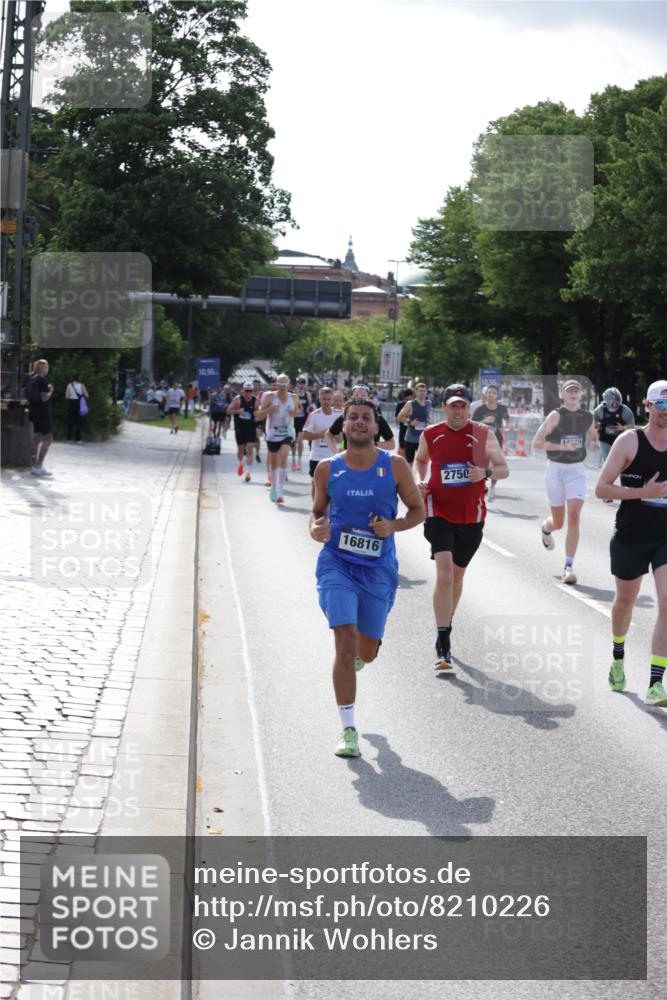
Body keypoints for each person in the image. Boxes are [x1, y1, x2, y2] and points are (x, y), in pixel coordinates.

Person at [310, 396, 425, 757]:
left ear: (377, 427)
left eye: (366, 418)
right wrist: (316, 528)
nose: (359, 422)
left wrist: (393, 525)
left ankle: (363, 653)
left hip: (377, 569)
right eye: (353, 418)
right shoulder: (327, 469)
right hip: (337, 564)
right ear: (343, 427)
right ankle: (348, 730)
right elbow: (316, 513)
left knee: (367, 652)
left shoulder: (395, 466)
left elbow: (418, 511)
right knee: (344, 643)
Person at [414, 383, 509, 671]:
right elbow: (420, 460)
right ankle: (443, 643)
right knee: (444, 574)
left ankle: (448, 619)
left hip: (471, 516)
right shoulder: (431, 434)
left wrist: (486, 472)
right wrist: (420, 479)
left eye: (463, 405)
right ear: (444, 407)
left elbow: (504, 469)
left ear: (469, 407)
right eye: (453, 405)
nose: (458, 410)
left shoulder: (483, 433)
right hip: (438, 509)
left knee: (456, 576)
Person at [595, 379, 667, 707]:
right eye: (660, 405)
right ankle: (618, 660)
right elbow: (602, 489)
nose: (666, 413)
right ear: (647, 406)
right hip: (631, 535)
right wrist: (643, 493)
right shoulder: (629, 441)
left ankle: (656, 683)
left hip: (664, 537)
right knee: (625, 601)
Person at [532, 379, 599, 585]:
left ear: (581, 395)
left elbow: (592, 437)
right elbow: (537, 443)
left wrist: (593, 442)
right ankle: (546, 527)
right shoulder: (556, 415)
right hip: (555, 471)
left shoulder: (588, 416)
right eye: (569, 390)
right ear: (562, 394)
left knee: (574, 517)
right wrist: (562, 446)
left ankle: (568, 566)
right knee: (559, 522)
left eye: (576, 390)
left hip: (577, 471)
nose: (573, 393)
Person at [255, 373, 301, 502]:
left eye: (285, 385)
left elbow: (297, 412)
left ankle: (281, 492)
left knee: (284, 456)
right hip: (272, 433)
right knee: (274, 463)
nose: (282, 387)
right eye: (279, 385)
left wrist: (294, 413)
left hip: (287, 432)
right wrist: (269, 409)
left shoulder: (294, 397)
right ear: (276, 384)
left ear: (289, 385)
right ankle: (274, 487)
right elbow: (259, 415)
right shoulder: (270, 397)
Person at [325, 385, 395, 453]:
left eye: (363, 395)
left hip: (371, 461)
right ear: (351, 398)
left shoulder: (377, 418)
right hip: (349, 461)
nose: (360, 398)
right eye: (356, 395)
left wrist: (373, 444)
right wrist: (336, 452)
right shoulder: (345, 417)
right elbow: (329, 435)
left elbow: (392, 444)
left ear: (369, 398)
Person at [470, 384, 509, 500]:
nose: (490, 394)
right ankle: (483, 487)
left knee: (495, 465)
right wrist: (484, 420)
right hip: (481, 441)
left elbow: (506, 420)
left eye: (493, 392)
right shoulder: (480, 409)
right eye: (488, 392)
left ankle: (492, 486)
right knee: (481, 465)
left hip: (496, 440)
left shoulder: (502, 408)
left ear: (497, 395)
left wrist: (504, 427)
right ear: (485, 394)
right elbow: (472, 424)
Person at [301, 385, 341, 494]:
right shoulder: (314, 415)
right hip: (317, 456)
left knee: (333, 487)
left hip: (334, 457)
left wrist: (339, 439)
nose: (326, 402)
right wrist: (322, 434)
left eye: (328, 399)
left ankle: (329, 509)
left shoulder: (339, 415)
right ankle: (315, 509)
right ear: (319, 399)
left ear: (332, 399)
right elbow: (304, 435)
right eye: (324, 399)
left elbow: (344, 437)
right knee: (316, 485)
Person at [594, 388, 635, 485]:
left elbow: (632, 425)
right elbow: (593, 421)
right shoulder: (600, 410)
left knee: (622, 464)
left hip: (620, 440)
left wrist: (623, 428)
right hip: (604, 440)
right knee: (607, 463)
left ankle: (626, 485)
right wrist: (596, 428)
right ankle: (606, 487)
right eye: (613, 401)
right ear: (607, 401)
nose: (615, 403)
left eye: (617, 400)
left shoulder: (624, 410)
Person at [26, 359, 54, 477]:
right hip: (43, 413)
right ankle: (39, 465)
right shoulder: (42, 380)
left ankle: (33, 466)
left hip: (34, 412)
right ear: (43, 368)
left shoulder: (31, 378)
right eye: (47, 367)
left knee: (36, 438)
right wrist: (51, 391)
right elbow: (44, 398)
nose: (47, 369)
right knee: (48, 439)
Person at [227, 381, 258, 481]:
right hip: (240, 428)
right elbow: (228, 411)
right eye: (246, 391)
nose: (248, 393)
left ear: (252, 391)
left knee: (249, 449)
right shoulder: (237, 399)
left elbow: (258, 412)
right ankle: (241, 464)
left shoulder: (255, 401)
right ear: (243, 391)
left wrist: (259, 419)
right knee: (240, 450)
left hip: (251, 428)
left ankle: (248, 472)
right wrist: (237, 411)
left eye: (250, 391)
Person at [397, 382, 431, 468]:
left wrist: (430, 424)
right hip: (411, 438)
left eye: (424, 391)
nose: (422, 393)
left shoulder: (428, 403)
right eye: (420, 391)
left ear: (426, 392)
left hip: (423, 438)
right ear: (416, 392)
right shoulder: (410, 403)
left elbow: (427, 417)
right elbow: (399, 417)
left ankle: (419, 481)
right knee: (410, 463)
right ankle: (409, 480)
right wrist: (410, 422)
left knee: (422, 462)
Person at [292, 375, 313, 471]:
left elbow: (309, 407)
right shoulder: (293, 394)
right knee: (293, 442)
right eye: (300, 383)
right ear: (297, 384)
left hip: (303, 420)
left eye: (303, 383)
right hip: (294, 419)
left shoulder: (307, 395)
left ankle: (299, 461)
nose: (301, 385)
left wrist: (309, 409)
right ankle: (293, 460)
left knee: (299, 441)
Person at [65, 374, 89, 444]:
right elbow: (87, 395)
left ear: (73, 378)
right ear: (79, 379)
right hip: (79, 404)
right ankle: (78, 439)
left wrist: (72, 395)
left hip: (71, 403)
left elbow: (67, 396)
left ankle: (69, 438)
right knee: (78, 422)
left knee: (70, 421)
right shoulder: (82, 385)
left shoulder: (69, 385)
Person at [394, 388, 413, 458]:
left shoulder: (413, 404)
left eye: (411, 396)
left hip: (412, 430)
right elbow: (396, 417)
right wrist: (404, 419)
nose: (410, 398)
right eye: (408, 396)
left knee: (410, 449)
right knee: (402, 447)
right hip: (403, 429)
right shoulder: (400, 405)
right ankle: (399, 462)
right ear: (405, 396)